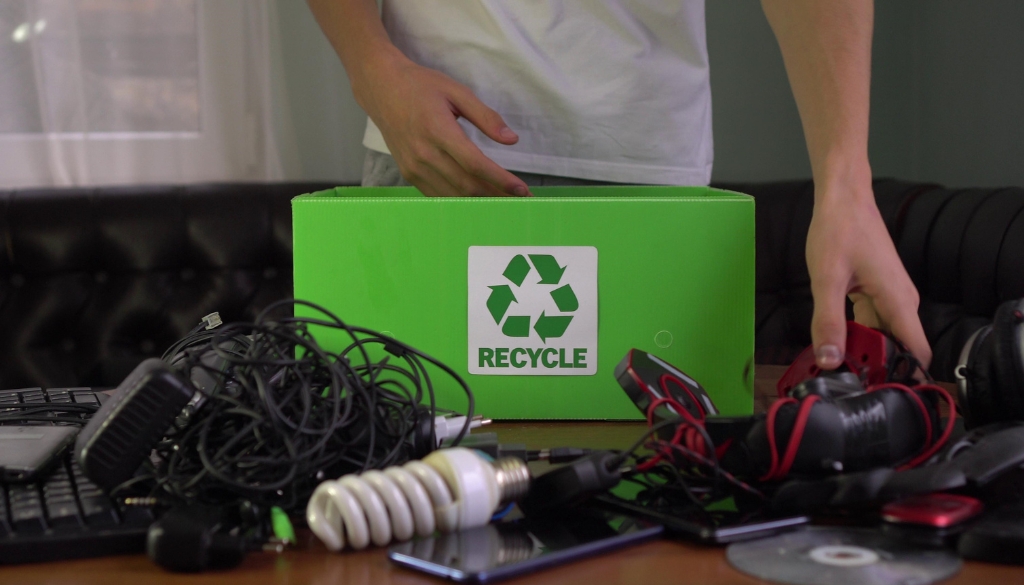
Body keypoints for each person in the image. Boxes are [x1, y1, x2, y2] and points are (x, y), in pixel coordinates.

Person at [307, 0, 932, 372]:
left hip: (653, 184)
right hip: (437, 154)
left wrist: (847, 182)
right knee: (404, 495)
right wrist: (373, 69)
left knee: (661, 501)